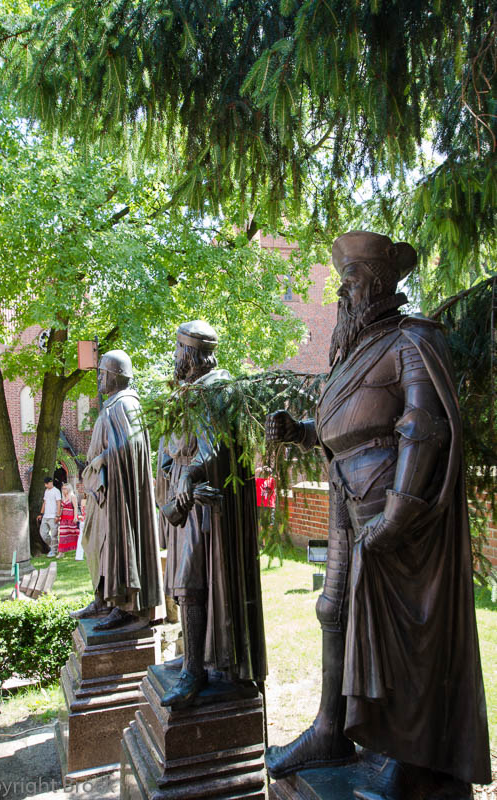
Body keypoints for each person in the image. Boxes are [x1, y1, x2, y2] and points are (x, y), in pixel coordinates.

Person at [265, 231, 491, 799]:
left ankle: (410, 757)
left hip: (396, 518)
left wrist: (399, 513)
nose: (343, 290)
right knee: (332, 609)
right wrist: (301, 431)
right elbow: (351, 428)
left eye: (353, 279)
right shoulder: (356, 350)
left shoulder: (412, 341)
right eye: (343, 280)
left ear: (383, 283)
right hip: (347, 506)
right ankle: (329, 730)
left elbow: (424, 427)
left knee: (405, 633)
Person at [157, 320, 267, 708]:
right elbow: (171, 453)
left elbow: (219, 449)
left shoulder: (219, 389)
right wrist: (175, 474)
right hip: (187, 507)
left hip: (210, 511)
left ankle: (196, 671)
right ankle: (194, 662)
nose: (174, 358)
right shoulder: (185, 395)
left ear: (193, 355)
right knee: (187, 586)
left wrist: (193, 472)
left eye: (178, 351)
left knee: (194, 583)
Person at [70, 349, 163, 630]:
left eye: (103, 373)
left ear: (115, 375)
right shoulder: (113, 404)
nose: (99, 378)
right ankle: (102, 598)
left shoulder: (126, 405)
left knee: (116, 547)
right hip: (103, 493)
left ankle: (124, 606)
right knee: (92, 543)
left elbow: (131, 447)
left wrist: (103, 458)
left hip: (119, 495)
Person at [37, 476, 61, 558]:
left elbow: (58, 503)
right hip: (45, 516)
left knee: (54, 534)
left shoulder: (56, 491)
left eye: (47, 484)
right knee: (43, 533)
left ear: (50, 483)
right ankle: (54, 546)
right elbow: (44, 503)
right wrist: (41, 513)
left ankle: (53, 551)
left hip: (53, 516)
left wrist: (58, 515)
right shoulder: (46, 491)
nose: (46, 486)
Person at [57, 483, 79, 556]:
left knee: (74, 534)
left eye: (65, 488)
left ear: (69, 489)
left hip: (71, 518)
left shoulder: (73, 496)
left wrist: (75, 517)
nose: (63, 490)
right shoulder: (63, 497)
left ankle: (78, 549)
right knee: (62, 535)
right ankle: (61, 552)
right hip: (63, 519)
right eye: (62, 489)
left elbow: (75, 507)